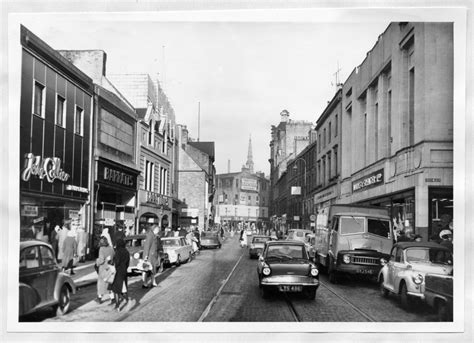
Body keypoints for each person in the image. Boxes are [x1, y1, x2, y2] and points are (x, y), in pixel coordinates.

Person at [110, 239, 130, 312]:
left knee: (116, 289)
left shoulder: (118, 252)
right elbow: (128, 263)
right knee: (123, 287)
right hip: (124, 271)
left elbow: (117, 262)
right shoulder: (126, 252)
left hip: (118, 271)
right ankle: (126, 298)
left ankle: (118, 305)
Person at [95, 236, 115, 304]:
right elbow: (113, 256)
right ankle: (112, 298)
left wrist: (97, 262)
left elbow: (101, 260)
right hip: (110, 267)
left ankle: (99, 298)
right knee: (109, 283)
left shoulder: (101, 249)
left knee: (101, 284)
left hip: (103, 268)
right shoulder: (111, 248)